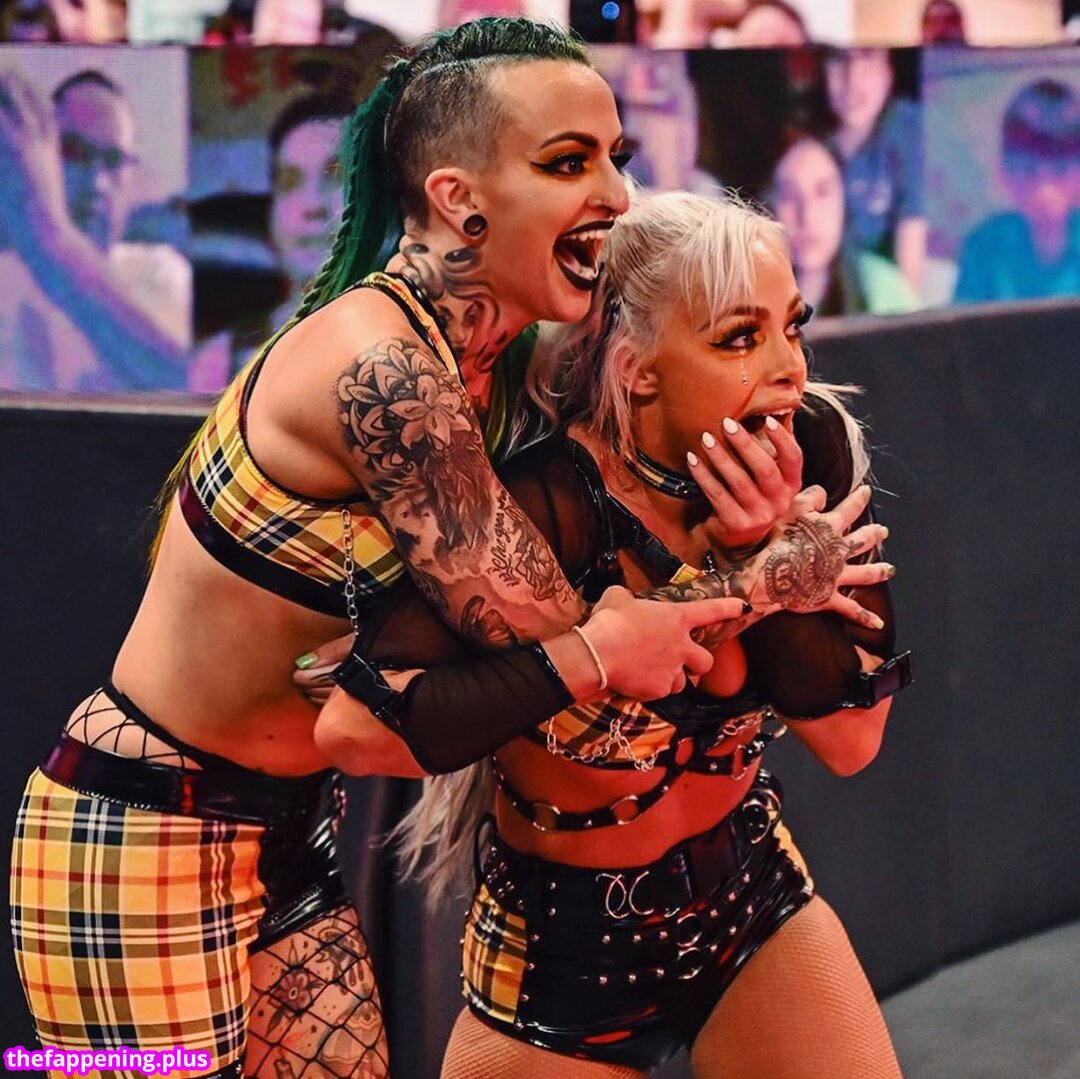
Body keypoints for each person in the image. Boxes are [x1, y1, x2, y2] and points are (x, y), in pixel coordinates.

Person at [9, 20, 773, 1079]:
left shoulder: (494, 365)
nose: (615, 194)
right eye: (568, 162)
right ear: (459, 200)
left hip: (286, 831)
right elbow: (572, 669)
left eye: (616, 156)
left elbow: (546, 658)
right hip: (140, 836)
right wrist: (764, 571)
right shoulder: (385, 371)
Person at [313, 193, 909, 1077]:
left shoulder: (807, 439)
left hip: (751, 897)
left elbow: (852, 739)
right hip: (561, 955)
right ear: (638, 370)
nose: (790, 368)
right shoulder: (539, 504)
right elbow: (354, 730)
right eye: (740, 339)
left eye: (794, 326)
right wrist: (592, 656)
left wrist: (760, 548)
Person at [0, 68, 190, 392]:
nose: (97, 183)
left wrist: (54, 235)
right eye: (74, 153)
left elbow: (193, 385)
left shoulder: (160, 271)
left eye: (114, 160)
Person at [954, 78, 1080, 304]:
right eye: (1028, 170)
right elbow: (963, 323)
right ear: (1004, 173)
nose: (1044, 189)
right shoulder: (984, 246)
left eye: (1060, 170)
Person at [769, 135, 918, 315]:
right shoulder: (745, 294)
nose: (807, 215)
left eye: (823, 193)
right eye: (789, 195)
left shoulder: (881, 286)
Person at [824, 48, 925, 296]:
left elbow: (912, 234)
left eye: (868, 57)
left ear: (887, 73)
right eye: (839, 59)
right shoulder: (815, 150)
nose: (852, 79)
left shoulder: (906, 127)